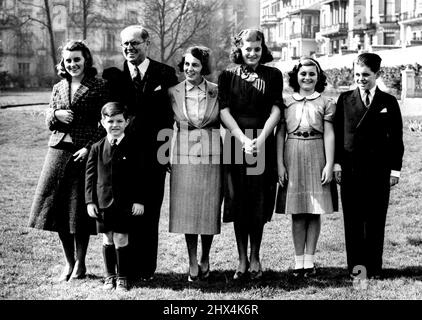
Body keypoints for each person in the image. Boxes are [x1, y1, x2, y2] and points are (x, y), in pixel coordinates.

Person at [28, 40, 109, 282]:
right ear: (63, 62)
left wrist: (88, 149)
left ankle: (81, 264)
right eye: (68, 60)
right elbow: (49, 121)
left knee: (78, 212)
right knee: (57, 209)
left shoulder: (98, 85)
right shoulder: (58, 86)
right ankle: (69, 262)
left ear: (86, 60)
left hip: (82, 153)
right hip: (57, 151)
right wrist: (55, 114)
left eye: (77, 59)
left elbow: (105, 124)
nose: (72, 64)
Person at [102, 25, 178, 281]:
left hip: (154, 156)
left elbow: (170, 118)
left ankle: (146, 269)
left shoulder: (165, 74)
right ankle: (126, 268)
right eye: (125, 44)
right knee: (124, 211)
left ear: (147, 44)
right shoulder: (113, 76)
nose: (129, 48)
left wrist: (166, 154)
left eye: (134, 43)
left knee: (149, 210)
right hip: (123, 157)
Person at [218, 29, 283, 280]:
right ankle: (241, 260)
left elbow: (277, 109)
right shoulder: (227, 75)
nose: (253, 53)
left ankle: (255, 256)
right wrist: (243, 139)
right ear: (240, 49)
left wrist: (260, 139)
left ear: (262, 48)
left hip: (262, 143)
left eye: (257, 48)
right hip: (236, 144)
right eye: (248, 49)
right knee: (238, 200)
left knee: (256, 201)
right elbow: (223, 110)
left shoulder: (273, 74)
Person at [333, 52, 404, 280]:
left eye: (366, 75)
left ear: (377, 74)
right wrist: (336, 165)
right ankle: (357, 269)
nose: (360, 79)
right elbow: (336, 135)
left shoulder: (388, 102)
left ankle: (374, 268)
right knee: (353, 220)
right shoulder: (344, 100)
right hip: (350, 170)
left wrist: (395, 170)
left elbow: (397, 139)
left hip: (379, 170)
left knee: (375, 219)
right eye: (357, 74)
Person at [274, 57, 337, 277]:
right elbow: (280, 133)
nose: (307, 78)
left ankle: (309, 261)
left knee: (314, 210)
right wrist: (280, 164)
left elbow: (329, 133)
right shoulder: (287, 101)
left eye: (312, 74)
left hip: (317, 150)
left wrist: (329, 164)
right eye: (303, 74)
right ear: (296, 77)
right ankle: (298, 261)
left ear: (318, 77)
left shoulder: (326, 102)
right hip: (293, 151)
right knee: (298, 211)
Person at [168, 46, 222, 282]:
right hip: (183, 155)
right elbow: (167, 125)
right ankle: (191, 260)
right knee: (187, 210)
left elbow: (226, 122)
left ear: (204, 68)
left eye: (196, 65)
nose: (190, 69)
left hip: (213, 154)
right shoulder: (173, 92)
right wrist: (167, 155)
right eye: (187, 64)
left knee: (209, 208)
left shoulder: (216, 91)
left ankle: (205, 258)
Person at [85, 102, 145, 291]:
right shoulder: (96, 147)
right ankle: (109, 276)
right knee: (107, 238)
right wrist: (89, 201)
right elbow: (90, 177)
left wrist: (139, 200)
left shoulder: (135, 146)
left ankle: (123, 277)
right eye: (110, 121)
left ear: (127, 122)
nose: (115, 125)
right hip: (103, 202)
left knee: (121, 238)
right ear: (103, 122)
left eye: (119, 121)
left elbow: (141, 176)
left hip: (125, 203)